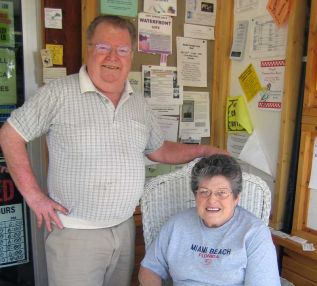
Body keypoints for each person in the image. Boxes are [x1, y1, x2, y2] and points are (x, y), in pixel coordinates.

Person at [0, 15, 227, 286]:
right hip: (75, 234)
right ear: (89, 49)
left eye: (121, 50)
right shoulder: (58, 93)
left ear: (130, 56)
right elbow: (10, 135)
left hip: (124, 228)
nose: (112, 57)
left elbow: (159, 150)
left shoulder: (138, 104)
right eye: (103, 47)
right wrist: (35, 198)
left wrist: (202, 149)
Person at [139, 154, 281, 286]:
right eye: (204, 192)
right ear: (196, 195)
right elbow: (150, 268)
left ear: (236, 198)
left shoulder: (255, 233)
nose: (212, 200)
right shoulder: (177, 225)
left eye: (222, 193)